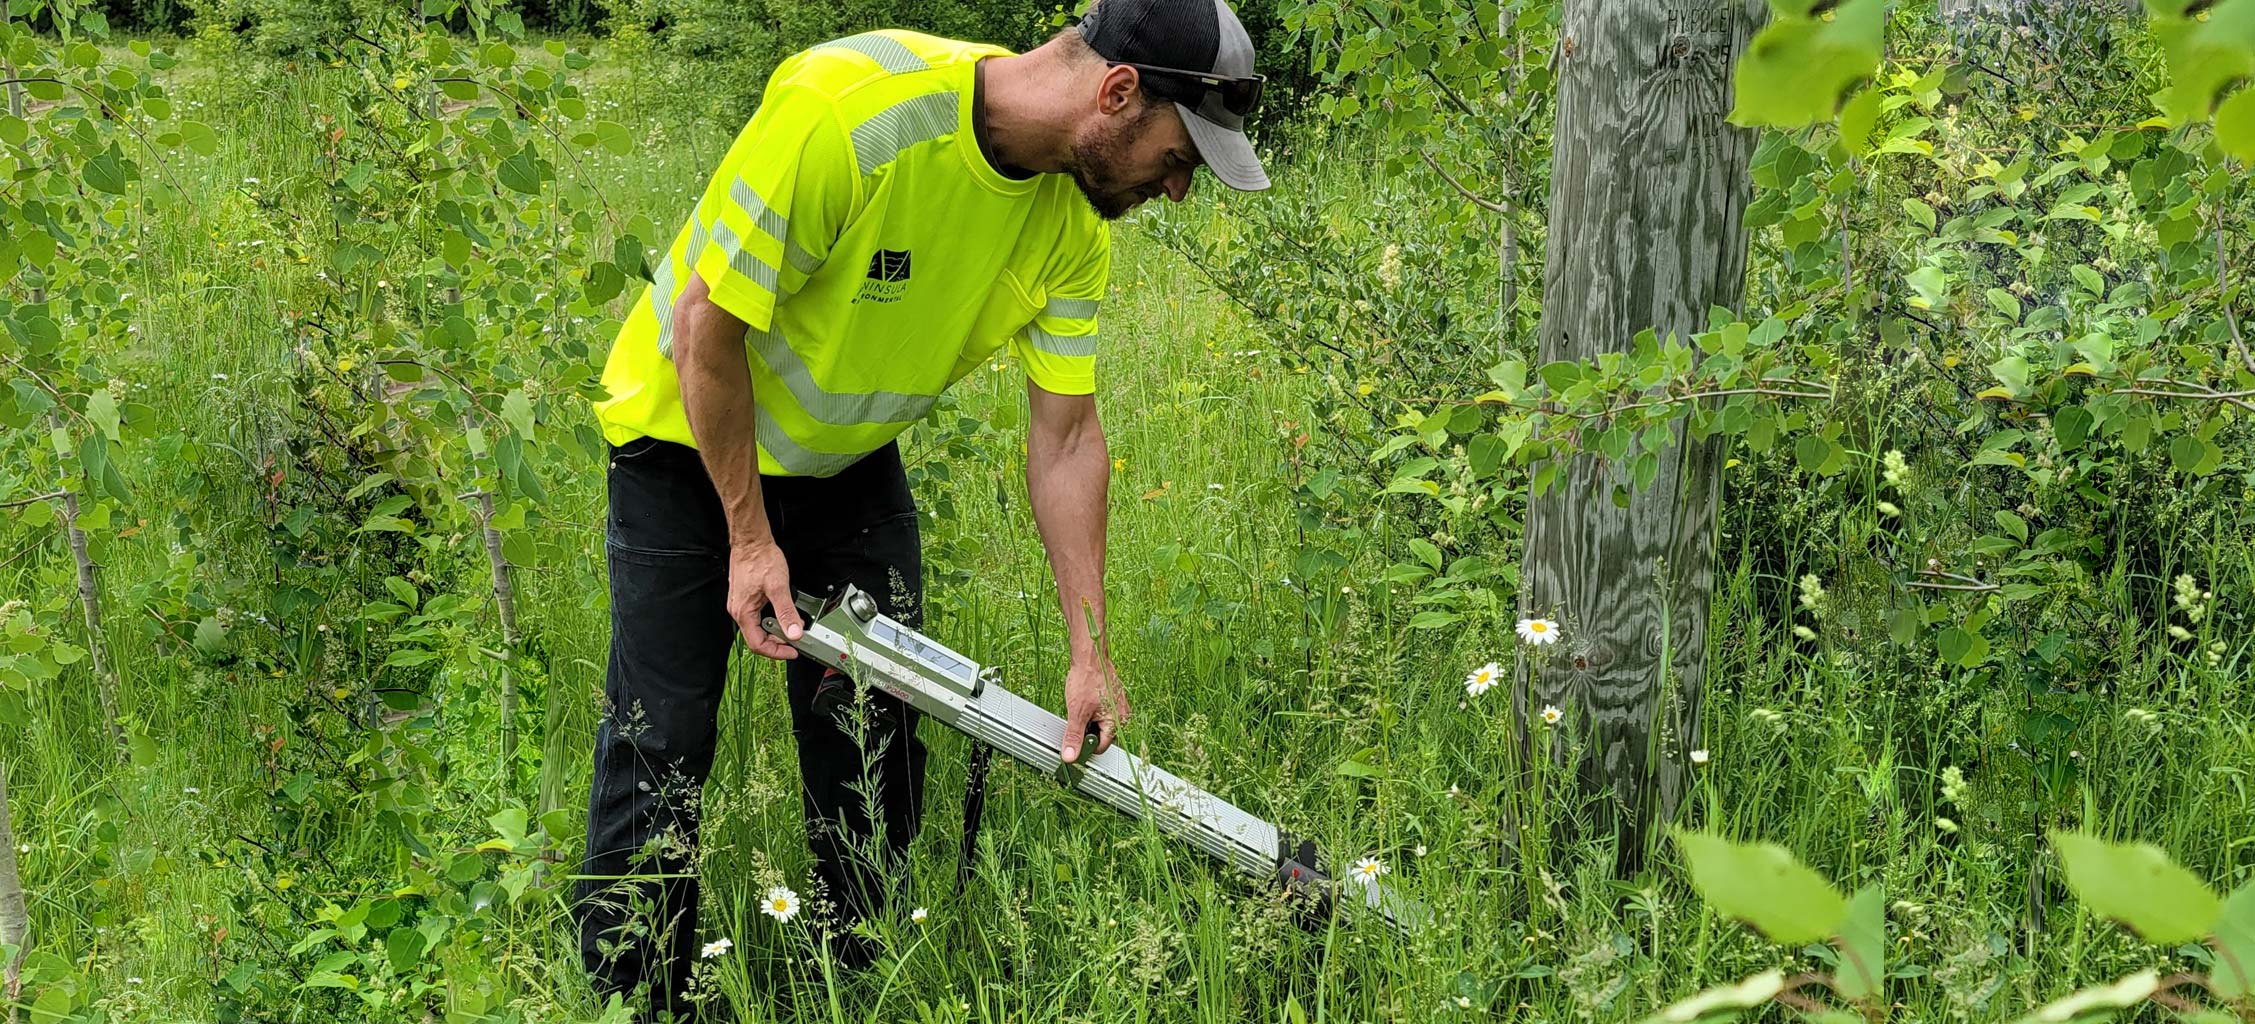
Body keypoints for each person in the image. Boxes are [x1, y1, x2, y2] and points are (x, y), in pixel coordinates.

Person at [575, 0, 1271, 1016]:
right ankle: (633, 995)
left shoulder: (1074, 224)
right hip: (686, 439)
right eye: (1178, 156)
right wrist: (749, 536)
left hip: (845, 460)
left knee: (876, 719)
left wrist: (1090, 651)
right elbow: (703, 331)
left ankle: (851, 972)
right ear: (1119, 93)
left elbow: (1066, 437)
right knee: (663, 734)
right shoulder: (848, 113)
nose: (1173, 187)